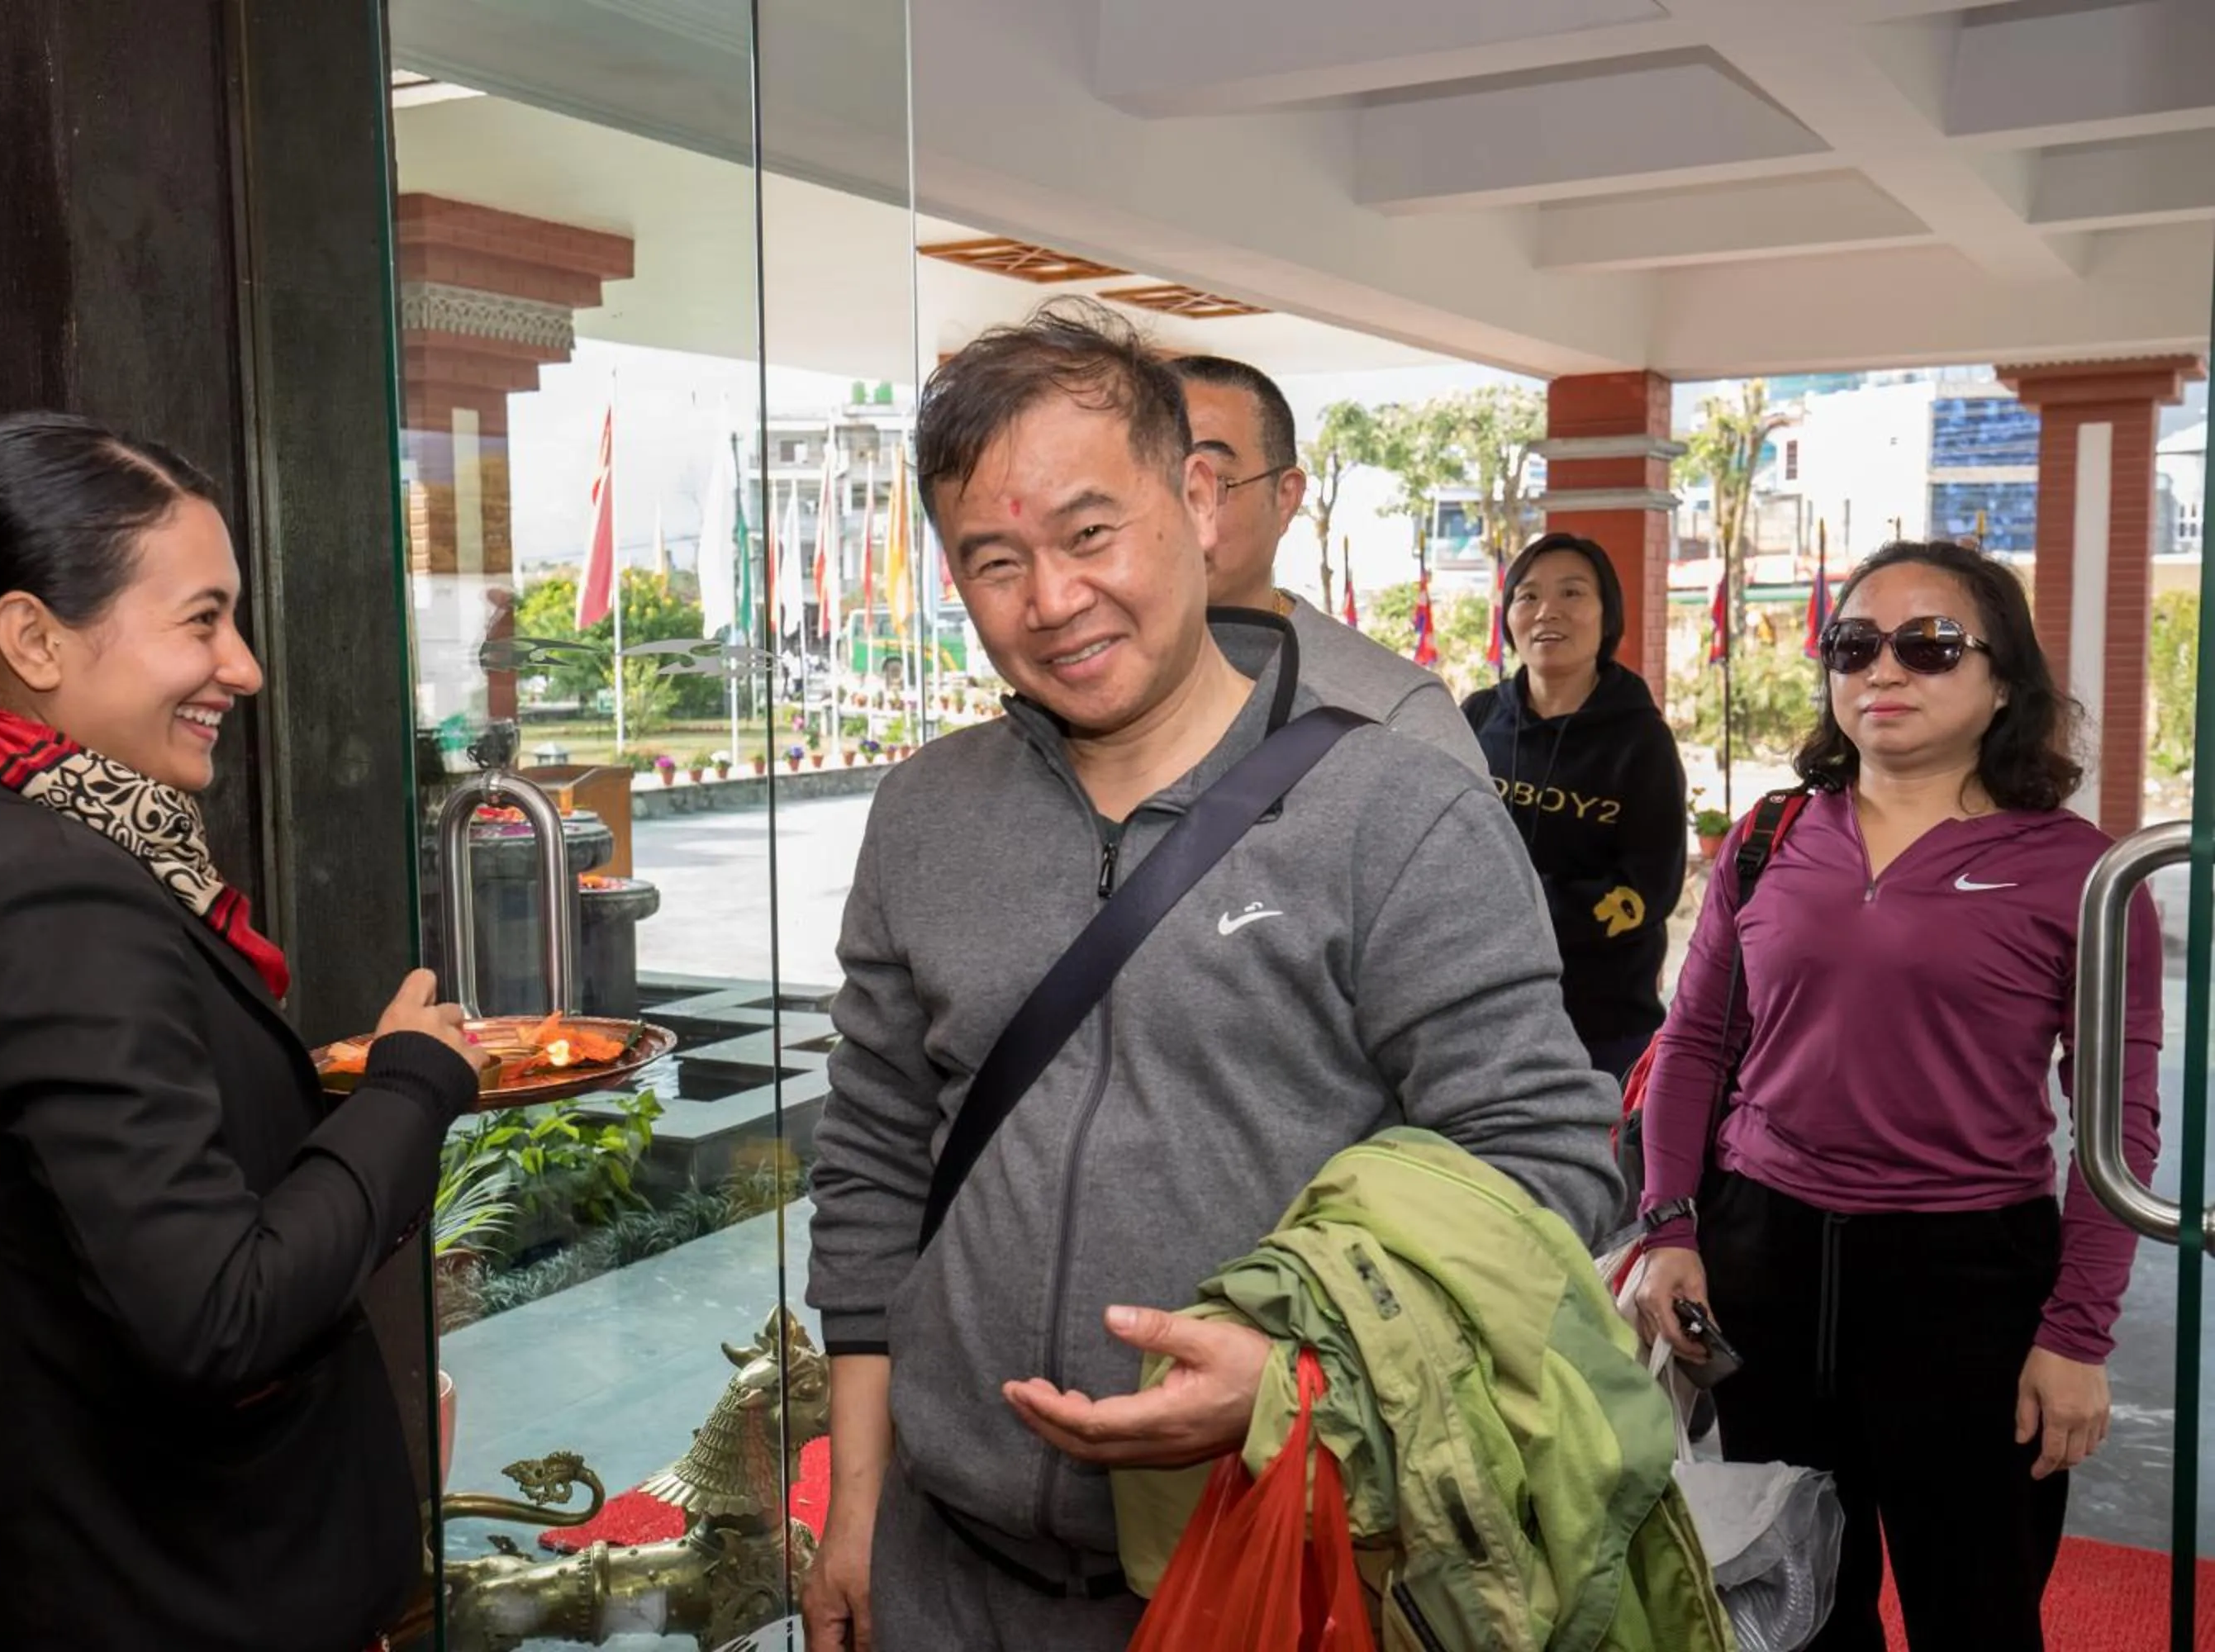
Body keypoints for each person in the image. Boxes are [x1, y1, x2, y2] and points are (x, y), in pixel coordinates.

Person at [803, 303, 1620, 1652]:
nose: (1051, 601)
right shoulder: (927, 814)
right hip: (945, 1571)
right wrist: (857, 1503)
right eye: (994, 560)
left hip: (1267, 1570)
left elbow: (1552, 1162)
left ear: (1194, 498)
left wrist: (1306, 1376)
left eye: (1087, 533)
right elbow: (879, 1157)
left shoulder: (1393, 811)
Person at [0, 412, 486, 1652]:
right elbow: (219, 1313)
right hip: (171, 1595)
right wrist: (411, 1088)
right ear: (33, 637)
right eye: (202, 620)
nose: (242, 668)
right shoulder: (51, 891)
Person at [1630, 541, 2164, 1652]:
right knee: (1787, 1605)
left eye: (1928, 646)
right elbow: (1692, 1047)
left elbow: (2118, 1128)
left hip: (1966, 1282)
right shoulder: (1771, 838)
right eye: (1855, 644)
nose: (1885, 670)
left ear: (2004, 679)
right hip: (1762, 1264)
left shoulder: (2078, 872)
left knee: (1975, 1611)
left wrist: (2074, 1334)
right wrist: (1668, 1227)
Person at [1168, 354, 1485, 774]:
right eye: (1155, 479)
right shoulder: (1075, 684)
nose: (1178, 513)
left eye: (1215, 482)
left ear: (1285, 498)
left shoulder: (1394, 713)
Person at [1462, 531, 1689, 1080]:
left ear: (1607, 615)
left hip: (1602, 1021)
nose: (1547, 613)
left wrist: (1517, 915)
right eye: (1528, 596)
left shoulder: (1640, 741)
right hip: (1482, 1006)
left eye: (1572, 594)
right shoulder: (1476, 717)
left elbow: (1649, 889)